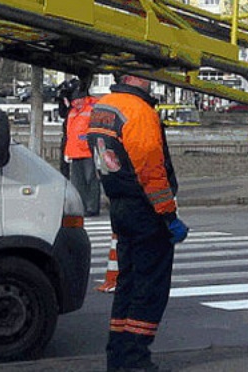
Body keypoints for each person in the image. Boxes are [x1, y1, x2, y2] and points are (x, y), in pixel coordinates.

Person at [88, 73, 188, 372]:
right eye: (145, 74)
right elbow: (151, 170)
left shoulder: (103, 108)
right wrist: (169, 216)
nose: (150, 79)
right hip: (146, 210)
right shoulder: (139, 111)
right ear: (131, 77)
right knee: (149, 288)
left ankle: (118, 355)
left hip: (120, 205)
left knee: (127, 285)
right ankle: (135, 360)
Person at [61, 74, 101, 216]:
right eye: (74, 101)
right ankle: (82, 207)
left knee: (91, 180)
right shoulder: (72, 112)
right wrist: (67, 152)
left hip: (88, 152)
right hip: (74, 152)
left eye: (78, 100)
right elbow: (70, 133)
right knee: (78, 182)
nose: (76, 103)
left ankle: (91, 207)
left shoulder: (92, 108)